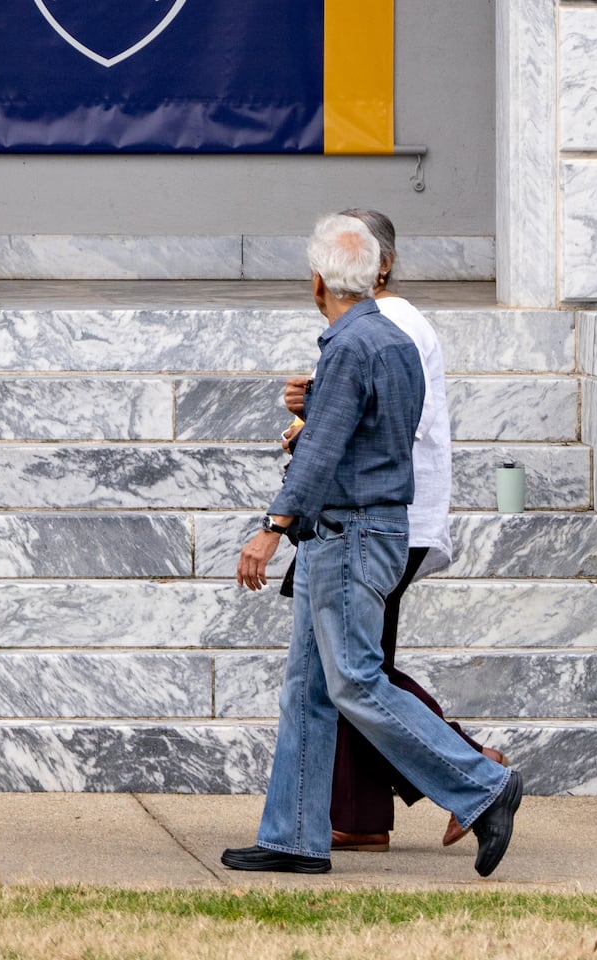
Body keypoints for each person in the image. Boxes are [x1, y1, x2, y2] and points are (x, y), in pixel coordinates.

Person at [223, 214, 525, 878]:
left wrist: (271, 528)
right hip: (368, 528)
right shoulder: (386, 341)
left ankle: (482, 786)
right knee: (308, 688)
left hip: (349, 535)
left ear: (319, 281)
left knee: (355, 680)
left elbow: (326, 451)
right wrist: (319, 403)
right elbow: (366, 437)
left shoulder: (352, 347)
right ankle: (294, 837)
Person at [292, 208, 480, 853]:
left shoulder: (385, 324)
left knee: (356, 667)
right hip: (385, 513)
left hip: (381, 516)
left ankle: (476, 767)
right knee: (350, 664)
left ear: (382, 263)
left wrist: (308, 425)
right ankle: (362, 816)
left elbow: (390, 426)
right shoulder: (383, 323)